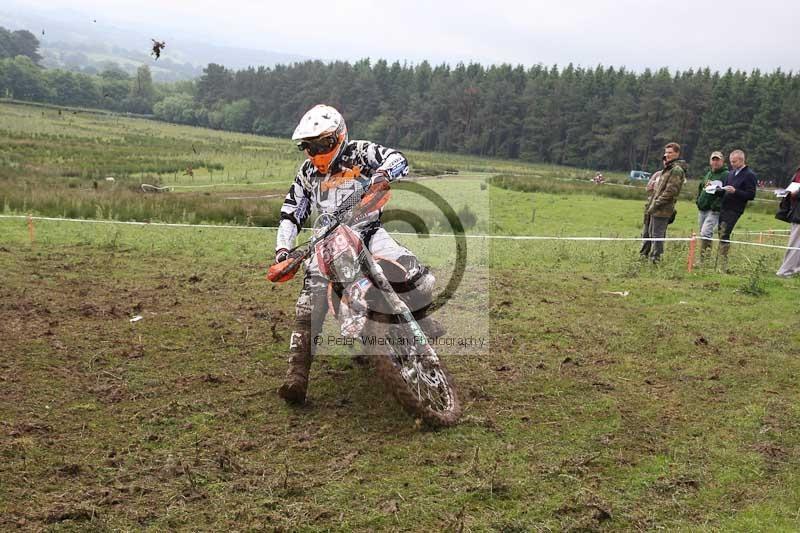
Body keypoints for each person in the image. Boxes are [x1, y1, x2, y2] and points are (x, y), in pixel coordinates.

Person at [274, 104, 442, 405]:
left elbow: (396, 158)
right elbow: (291, 213)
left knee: (417, 275)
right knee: (309, 304)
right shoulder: (307, 173)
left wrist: (381, 175)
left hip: (367, 230)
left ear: (337, 137)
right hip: (325, 244)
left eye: (321, 144)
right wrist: (283, 251)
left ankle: (422, 322)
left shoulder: (359, 152)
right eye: (308, 147)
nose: (315, 153)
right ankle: (296, 377)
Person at [643, 143, 687, 262]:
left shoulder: (676, 170)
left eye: (670, 153)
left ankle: (656, 260)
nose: (667, 155)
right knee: (652, 234)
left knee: (657, 236)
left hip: (663, 209)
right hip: (655, 207)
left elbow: (670, 191)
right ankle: (651, 258)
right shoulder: (668, 169)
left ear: (677, 154)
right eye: (666, 152)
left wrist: (656, 203)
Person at [715, 149, 757, 271]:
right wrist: (716, 190)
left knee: (725, 233)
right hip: (724, 206)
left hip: (735, 209)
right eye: (731, 162)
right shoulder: (731, 173)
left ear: (741, 160)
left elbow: (751, 195)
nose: (732, 164)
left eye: (734, 162)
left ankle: (723, 264)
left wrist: (735, 191)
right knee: (720, 233)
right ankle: (720, 261)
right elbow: (725, 190)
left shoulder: (750, 175)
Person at [695, 151, 728, 263]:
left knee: (706, 232)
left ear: (722, 161)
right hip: (703, 208)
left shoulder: (725, 175)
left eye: (717, 160)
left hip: (714, 210)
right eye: (713, 159)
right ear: (710, 161)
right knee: (702, 233)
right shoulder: (708, 174)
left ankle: (704, 260)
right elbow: (701, 188)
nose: (715, 162)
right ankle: (703, 258)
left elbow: (726, 191)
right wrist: (698, 200)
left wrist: (717, 204)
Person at [777, 166, 800, 277]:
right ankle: (795, 269)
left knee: (795, 242)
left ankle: (785, 271)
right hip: (795, 209)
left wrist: (797, 193)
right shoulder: (798, 171)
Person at [638, 159, 664, 258]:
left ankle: (656, 257)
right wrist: (652, 186)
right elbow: (648, 188)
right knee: (646, 232)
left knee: (656, 234)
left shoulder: (671, 175)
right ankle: (644, 254)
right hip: (650, 205)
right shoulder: (657, 174)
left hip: (661, 208)